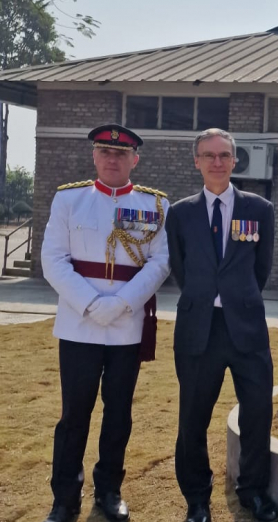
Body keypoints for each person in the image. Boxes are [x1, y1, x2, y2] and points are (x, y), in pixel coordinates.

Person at [40, 124, 170, 522]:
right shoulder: (69, 199)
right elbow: (53, 260)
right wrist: (92, 302)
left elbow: (161, 262)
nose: (113, 159)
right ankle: (65, 497)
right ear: (95, 157)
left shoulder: (155, 205)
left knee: (118, 414)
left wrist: (123, 304)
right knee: (73, 414)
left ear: (135, 159)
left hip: (126, 326)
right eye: (105, 152)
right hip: (80, 323)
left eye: (122, 153)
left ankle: (109, 490)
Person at [165, 128, 278, 522]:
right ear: (196, 161)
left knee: (258, 413)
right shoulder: (179, 213)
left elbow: (260, 268)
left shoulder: (260, 209)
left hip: (246, 327)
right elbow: (181, 268)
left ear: (235, 160)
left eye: (224, 155)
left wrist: (236, 297)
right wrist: (207, 296)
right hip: (199, 330)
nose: (217, 162)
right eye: (209, 155)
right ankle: (197, 499)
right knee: (192, 417)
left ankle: (253, 492)